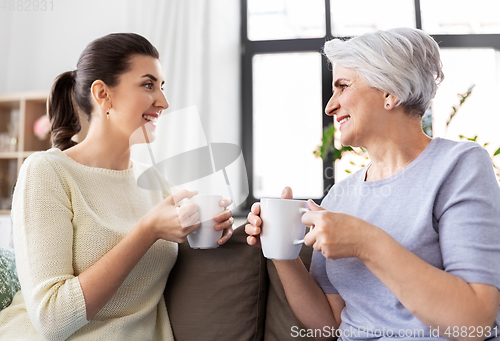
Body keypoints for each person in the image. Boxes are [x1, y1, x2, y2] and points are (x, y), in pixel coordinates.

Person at [246, 27, 500, 340]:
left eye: (342, 86)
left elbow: (473, 322)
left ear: (389, 92)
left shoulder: (459, 166)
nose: (330, 106)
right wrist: (281, 251)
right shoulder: (340, 195)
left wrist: (366, 243)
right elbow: (329, 325)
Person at [0, 33, 234, 340]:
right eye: (148, 85)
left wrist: (212, 229)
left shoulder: (156, 184)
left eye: (162, 87)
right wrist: (146, 231)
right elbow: (51, 319)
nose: (163, 102)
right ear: (103, 94)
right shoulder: (47, 172)